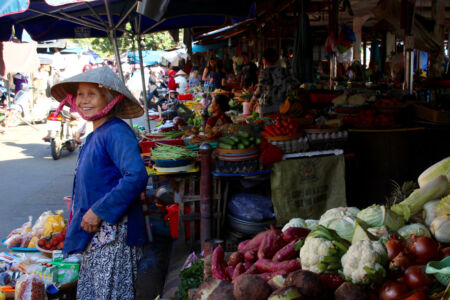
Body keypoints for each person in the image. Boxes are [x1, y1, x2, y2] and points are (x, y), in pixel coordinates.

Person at [50, 66, 148, 300]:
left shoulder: (116, 132)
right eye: (80, 94)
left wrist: (98, 211)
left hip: (113, 239)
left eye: (91, 94)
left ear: (109, 99)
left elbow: (136, 175)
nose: (83, 101)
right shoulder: (97, 133)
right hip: (97, 238)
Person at [250, 48, 292, 115]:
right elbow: (290, 85)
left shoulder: (265, 71)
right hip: (279, 104)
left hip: (266, 105)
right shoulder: (284, 70)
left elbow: (261, 88)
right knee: (275, 122)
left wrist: (253, 100)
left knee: (265, 123)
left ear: (264, 59)